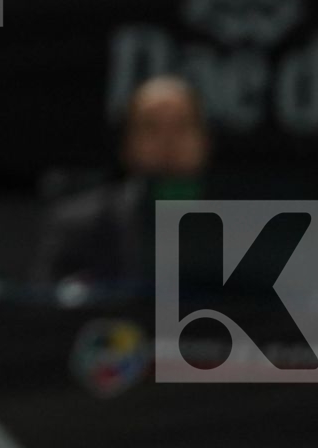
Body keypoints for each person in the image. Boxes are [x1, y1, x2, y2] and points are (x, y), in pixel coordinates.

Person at [31, 75, 210, 294]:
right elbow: (48, 306)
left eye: (182, 126)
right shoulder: (77, 226)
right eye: (151, 127)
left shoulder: (239, 227)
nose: (168, 139)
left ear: (204, 141)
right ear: (127, 142)